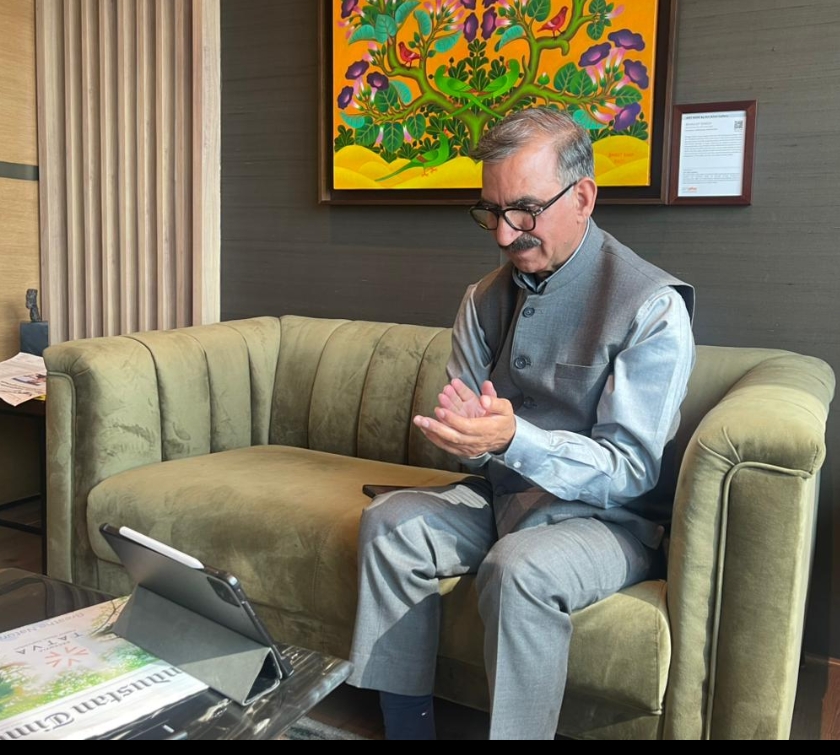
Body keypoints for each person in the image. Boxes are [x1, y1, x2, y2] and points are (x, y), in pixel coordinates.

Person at [346, 106, 696, 740]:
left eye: (526, 211)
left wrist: (512, 438)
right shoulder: (482, 299)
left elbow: (631, 471)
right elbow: (472, 447)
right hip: (503, 497)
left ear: (583, 197)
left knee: (519, 568)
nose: (505, 235)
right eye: (492, 212)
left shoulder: (653, 307)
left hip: (609, 522)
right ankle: (407, 730)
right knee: (390, 523)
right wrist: (466, 438)